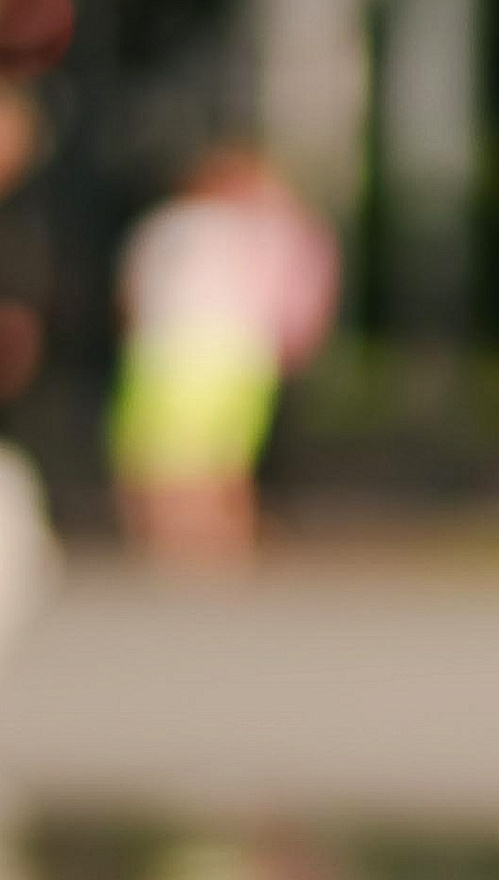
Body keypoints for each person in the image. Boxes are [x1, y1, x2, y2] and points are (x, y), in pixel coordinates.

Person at [107, 147, 339, 569]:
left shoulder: (174, 226)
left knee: (164, 450)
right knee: (219, 454)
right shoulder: (260, 229)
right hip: (237, 352)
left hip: (175, 348)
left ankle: (174, 535)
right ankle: (216, 535)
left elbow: (133, 294)